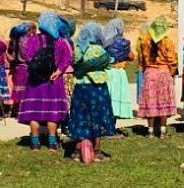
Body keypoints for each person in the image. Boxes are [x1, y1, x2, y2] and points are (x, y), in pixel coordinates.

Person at [17, 12, 73, 151]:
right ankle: (52, 143)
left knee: (34, 113)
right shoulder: (61, 41)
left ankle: (35, 143)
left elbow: (28, 57)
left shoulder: (33, 40)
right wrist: (58, 71)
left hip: (35, 81)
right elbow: (68, 58)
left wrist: (38, 70)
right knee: (52, 114)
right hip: (54, 81)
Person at [69, 23, 116, 164]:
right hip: (97, 89)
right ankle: (96, 151)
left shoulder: (77, 50)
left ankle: (78, 151)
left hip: (80, 88)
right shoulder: (99, 51)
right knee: (98, 116)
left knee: (81, 116)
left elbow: (74, 65)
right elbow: (110, 62)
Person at [138, 15, 178, 139]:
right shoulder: (168, 42)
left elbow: (141, 60)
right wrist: (172, 73)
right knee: (163, 102)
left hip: (150, 73)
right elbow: (173, 61)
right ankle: (162, 131)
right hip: (164, 73)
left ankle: (150, 131)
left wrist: (146, 70)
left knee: (151, 102)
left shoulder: (145, 42)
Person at [101, 18, 134, 122]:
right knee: (115, 98)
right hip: (119, 73)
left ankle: (104, 125)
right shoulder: (124, 43)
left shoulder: (103, 42)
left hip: (107, 72)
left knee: (107, 99)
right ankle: (113, 126)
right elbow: (132, 56)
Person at [7, 22, 33, 120]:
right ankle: (23, 110)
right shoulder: (29, 41)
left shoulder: (15, 41)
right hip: (27, 67)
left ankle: (15, 110)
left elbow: (11, 57)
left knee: (17, 88)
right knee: (26, 89)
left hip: (17, 67)